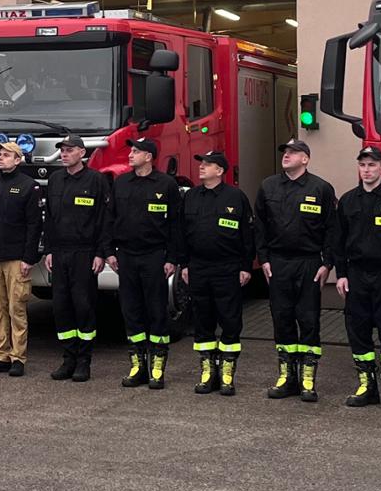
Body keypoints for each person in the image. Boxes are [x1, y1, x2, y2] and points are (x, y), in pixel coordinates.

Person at [329, 146, 381, 411]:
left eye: (372, 165)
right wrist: (340, 275)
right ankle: (367, 386)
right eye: (363, 165)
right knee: (358, 333)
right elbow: (338, 242)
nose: (367, 170)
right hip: (356, 275)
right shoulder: (348, 200)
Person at [256, 139, 337, 403]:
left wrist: (327, 263)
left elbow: (332, 230)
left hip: (309, 264)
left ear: (306, 159)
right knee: (282, 318)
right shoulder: (268, 186)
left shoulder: (321, 189)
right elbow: (260, 227)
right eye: (285, 152)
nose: (286, 156)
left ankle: (308, 380)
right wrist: (264, 259)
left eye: (293, 152)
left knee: (308, 319)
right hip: (278, 263)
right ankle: (287, 377)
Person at [109, 138, 184, 389]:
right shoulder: (121, 184)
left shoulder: (167, 185)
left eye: (136, 151)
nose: (131, 155)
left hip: (155, 256)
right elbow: (110, 219)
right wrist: (109, 252)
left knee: (156, 311)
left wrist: (172, 258)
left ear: (149, 156)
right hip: (126, 256)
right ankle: (138, 365)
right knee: (131, 311)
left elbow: (176, 225)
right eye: (131, 150)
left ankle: (157, 368)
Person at [181, 150, 256, 396]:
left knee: (230, 321)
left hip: (228, 268)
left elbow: (247, 236)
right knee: (203, 321)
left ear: (220, 171)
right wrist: (184, 265)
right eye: (201, 163)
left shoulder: (236, 197)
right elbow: (181, 234)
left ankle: (226, 374)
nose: (201, 167)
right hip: (199, 268)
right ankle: (207, 372)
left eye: (207, 164)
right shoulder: (191, 196)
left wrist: (246, 266)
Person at [41, 134, 112, 383]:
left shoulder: (96, 180)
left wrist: (101, 252)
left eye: (69, 150)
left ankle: (84, 361)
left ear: (82, 153)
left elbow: (104, 220)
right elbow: (48, 218)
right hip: (59, 253)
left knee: (83, 306)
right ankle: (68, 358)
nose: (64, 154)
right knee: (61, 307)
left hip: (85, 253)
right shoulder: (55, 180)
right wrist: (48, 249)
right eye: (62, 150)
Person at [0, 141, 43, 377]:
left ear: (18, 159)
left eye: (6, 155)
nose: (1, 158)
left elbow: (35, 225)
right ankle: (0, 355)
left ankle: (18, 357)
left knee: (17, 309)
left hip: (16, 259)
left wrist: (28, 258)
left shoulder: (29, 187)